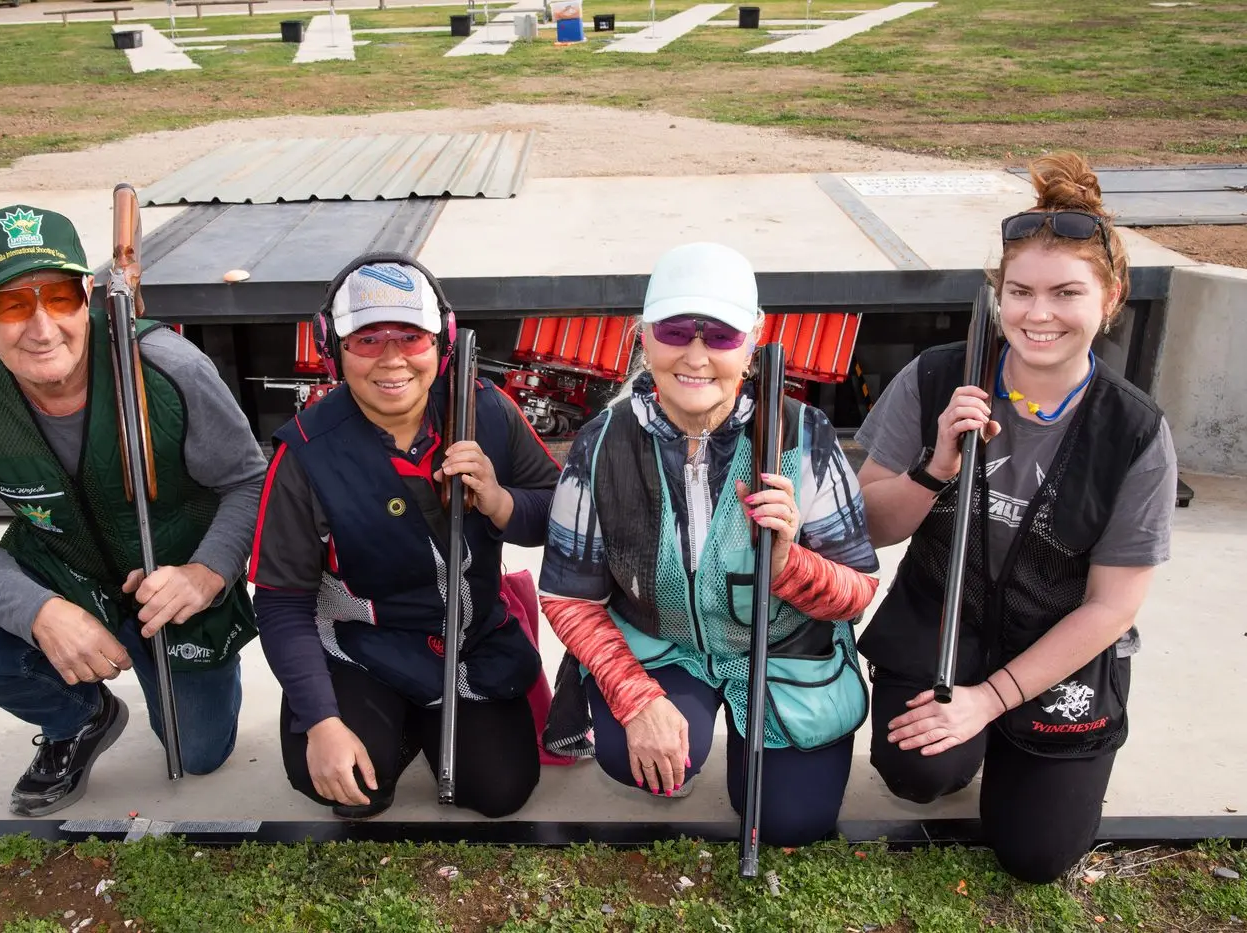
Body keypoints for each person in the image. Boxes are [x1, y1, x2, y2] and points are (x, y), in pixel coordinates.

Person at [853, 152, 1178, 883]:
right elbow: (870, 528)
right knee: (916, 773)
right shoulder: (938, 375)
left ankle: (1015, 729)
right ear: (999, 296)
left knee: (1036, 853)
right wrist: (934, 466)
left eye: (1066, 292)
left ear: (1111, 296)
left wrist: (989, 700)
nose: (1039, 314)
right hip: (944, 624)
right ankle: (980, 731)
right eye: (1021, 291)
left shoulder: (1135, 432)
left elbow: (1110, 608)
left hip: (1057, 641)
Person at [0, 204, 267, 816]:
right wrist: (41, 612)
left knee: (198, 753)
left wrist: (207, 573)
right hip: (60, 570)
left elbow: (249, 483)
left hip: (172, 582)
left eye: (57, 295)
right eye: (9, 304)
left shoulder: (171, 368)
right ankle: (80, 718)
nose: (42, 326)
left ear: (88, 296)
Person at [537, 242, 880, 846]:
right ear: (643, 336)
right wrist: (635, 697)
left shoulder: (806, 434)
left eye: (719, 335)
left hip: (785, 651)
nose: (695, 356)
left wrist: (788, 562)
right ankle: (674, 732)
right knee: (637, 762)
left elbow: (856, 593)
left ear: (752, 340)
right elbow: (569, 599)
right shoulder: (600, 444)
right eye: (674, 329)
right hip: (665, 643)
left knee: (790, 823)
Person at [250, 253, 562, 820]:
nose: (392, 359)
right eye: (367, 339)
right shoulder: (305, 452)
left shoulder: (488, 410)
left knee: (500, 792)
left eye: (411, 337)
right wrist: (321, 721)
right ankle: (391, 716)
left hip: (471, 639)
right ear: (332, 346)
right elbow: (281, 604)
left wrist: (498, 500)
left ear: (441, 342)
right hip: (362, 645)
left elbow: (557, 514)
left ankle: (421, 715)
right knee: (349, 790)